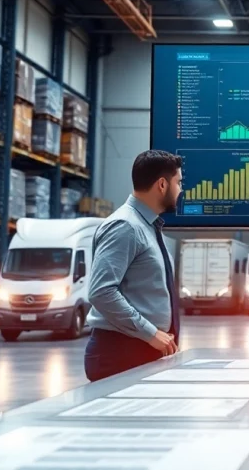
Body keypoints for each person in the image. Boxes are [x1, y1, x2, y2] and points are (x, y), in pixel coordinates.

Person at [83, 150, 184, 382]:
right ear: (161, 184)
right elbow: (101, 291)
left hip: (142, 350)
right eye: (178, 183)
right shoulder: (125, 226)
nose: (180, 190)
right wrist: (150, 334)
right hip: (121, 353)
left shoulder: (146, 227)